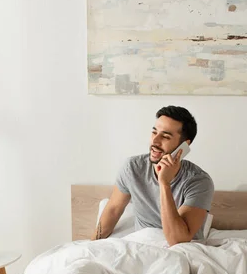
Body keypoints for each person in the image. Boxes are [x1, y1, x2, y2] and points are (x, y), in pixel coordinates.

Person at [91, 105, 214, 246]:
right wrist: (91, 246)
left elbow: (177, 240)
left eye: (165, 136)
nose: (155, 141)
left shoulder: (199, 181)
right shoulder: (133, 168)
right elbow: (113, 210)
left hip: (182, 251)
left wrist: (164, 183)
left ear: (184, 146)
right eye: (154, 132)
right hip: (142, 247)